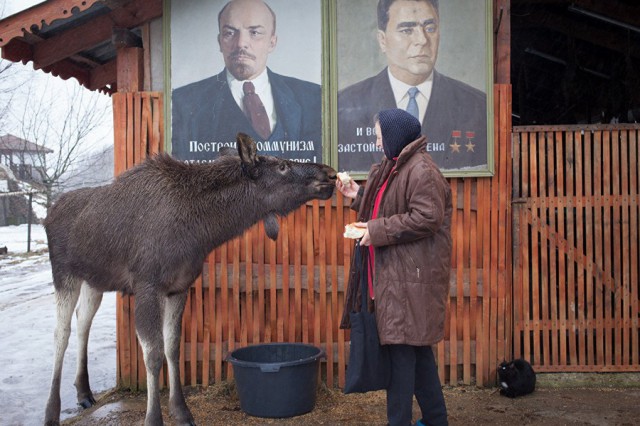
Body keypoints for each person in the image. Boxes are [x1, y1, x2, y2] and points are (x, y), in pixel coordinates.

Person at [338, 108, 452, 426]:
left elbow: (427, 217)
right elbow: (386, 208)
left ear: (395, 136)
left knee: (401, 364)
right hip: (397, 280)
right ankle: (435, 420)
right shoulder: (395, 167)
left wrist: (373, 231)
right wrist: (357, 194)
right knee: (418, 357)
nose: (376, 141)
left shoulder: (422, 171)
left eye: (379, 135)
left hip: (409, 282)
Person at [338, 0, 487, 173]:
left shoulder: (477, 106)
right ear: (383, 40)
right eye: (407, 30)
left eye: (430, 28)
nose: (422, 40)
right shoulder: (343, 104)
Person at [171, 0, 322, 162]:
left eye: (255, 33)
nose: (241, 43)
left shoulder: (313, 97)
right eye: (230, 33)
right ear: (220, 42)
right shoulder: (183, 102)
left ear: (272, 42)